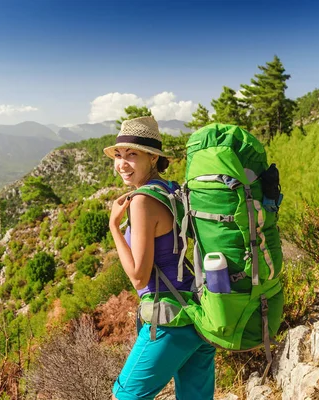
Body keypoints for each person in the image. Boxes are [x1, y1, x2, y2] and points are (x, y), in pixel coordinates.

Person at [103, 116, 215, 400]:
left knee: (125, 397)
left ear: (152, 157)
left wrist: (114, 228)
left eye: (132, 155)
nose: (122, 163)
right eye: (118, 155)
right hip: (197, 313)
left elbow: (139, 275)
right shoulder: (170, 190)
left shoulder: (141, 201)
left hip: (169, 320)